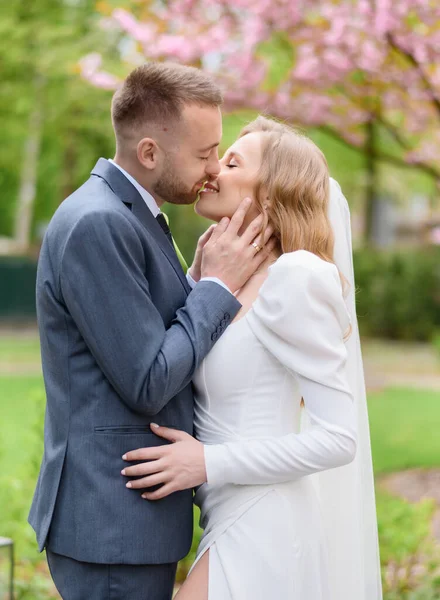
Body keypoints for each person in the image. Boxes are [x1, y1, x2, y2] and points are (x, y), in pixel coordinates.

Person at [28, 63, 276, 600]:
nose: (213, 169)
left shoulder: (135, 216)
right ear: (149, 153)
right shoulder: (101, 222)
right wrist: (219, 287)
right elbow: (147, 378)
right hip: (112, 521)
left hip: (128, 519)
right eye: (204, 153)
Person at [122, 117, 383, 600]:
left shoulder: (297, 276)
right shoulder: (224, 279)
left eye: (233, 160)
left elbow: (338, 439)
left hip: (265, 521)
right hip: (224, 517)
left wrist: (208, 462)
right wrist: (198, 284)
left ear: (270, 194)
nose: (212, 168)